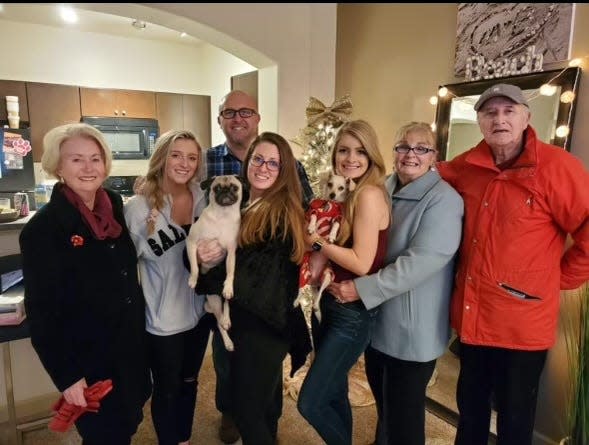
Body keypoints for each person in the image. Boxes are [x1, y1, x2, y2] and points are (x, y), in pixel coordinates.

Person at [436, 83, 589, 445]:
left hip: (522, 329)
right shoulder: (470, 165)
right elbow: (436, 172)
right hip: (475, 319)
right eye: (490, 112)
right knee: (469, 412)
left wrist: (557, 279)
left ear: (526, 118)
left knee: (514, 422)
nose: (499, 119)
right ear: (480, 121)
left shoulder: (557, 167)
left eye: (509, 111)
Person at [329, 122, 464, 445]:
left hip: (412, 329)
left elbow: (420, 262)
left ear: (434, 156)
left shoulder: (444, 200)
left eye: (421, 148)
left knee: (405, 416)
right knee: (385, 406)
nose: (410, 154)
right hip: (379, 321)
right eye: (403, 146)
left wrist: (360, 288)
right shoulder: (382, 187)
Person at [19, 123, 151, 445]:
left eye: (95, 158)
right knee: (104, 435)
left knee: (129, 422)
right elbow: (42, 313)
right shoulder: (43, 229)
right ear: (58, 166)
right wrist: (67, 376)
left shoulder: (114, 207)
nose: (89, 168)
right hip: (89, 358)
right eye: (76, 159)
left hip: (128, 348)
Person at [204, 89, 314, 443]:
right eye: (257, 160)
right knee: (262, 405)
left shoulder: (281, 213)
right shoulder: (242, 202)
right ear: (247, 161)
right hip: (245, 322)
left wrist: (216, 263)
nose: (263, 167)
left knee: (247, 410)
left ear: (284, 171)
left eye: (272, 163)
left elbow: (253, 277)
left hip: (262, 325)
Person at [297, 119, 391, 445]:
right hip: (329, 304)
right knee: (334, 393)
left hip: (351, 315)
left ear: (371, 156)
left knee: (310, 401)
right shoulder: (345, 195)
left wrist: (317, 242)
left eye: (360, 151)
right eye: (343, 150)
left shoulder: (367, 195)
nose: (350, 158)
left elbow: (362, 264)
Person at [124, 130, 210, 445]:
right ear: (162, 157)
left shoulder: (204, 197)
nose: (184, 163)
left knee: (189, 381)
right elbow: (123, 266)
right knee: (167, 388)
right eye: (176, 155)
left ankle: (183, 439)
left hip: (200, 313)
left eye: (191, 157)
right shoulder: (137, 207)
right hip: (162, 320)